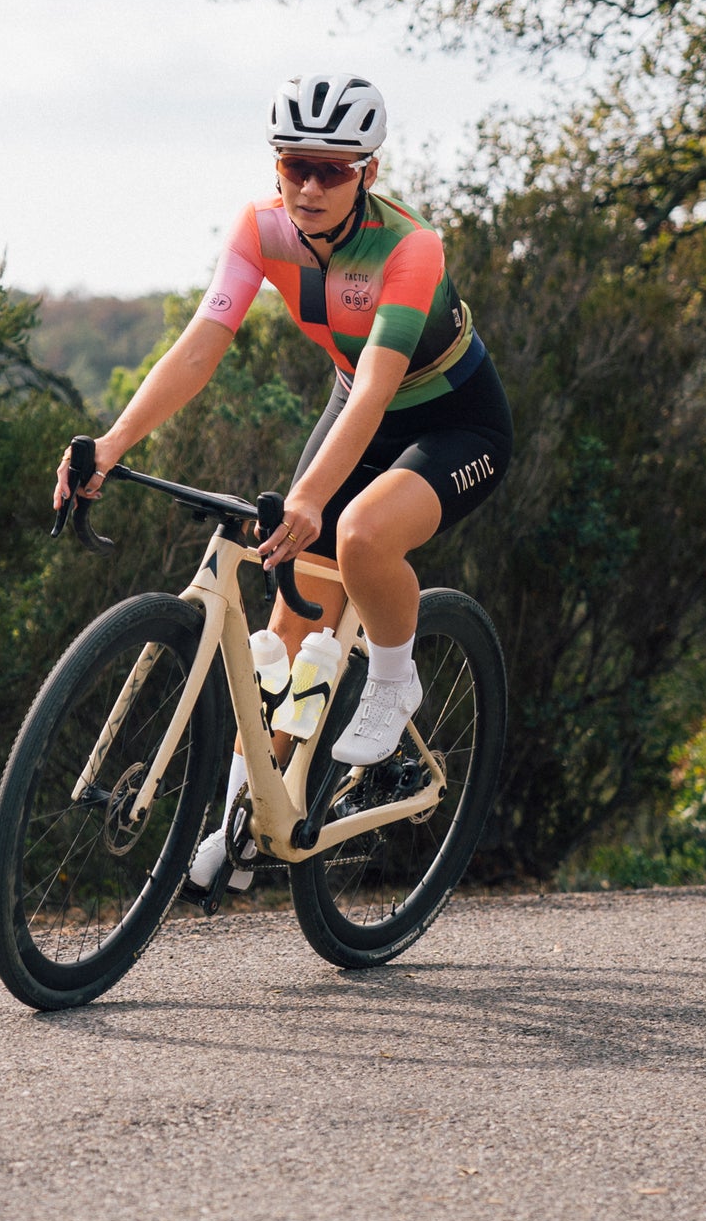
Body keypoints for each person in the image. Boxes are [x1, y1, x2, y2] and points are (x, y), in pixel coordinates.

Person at [52, 67, 513, 891]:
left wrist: (308, 499)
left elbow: (375, 389)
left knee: (360, 534)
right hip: (354, 406)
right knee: (290, 622)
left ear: (367, 172)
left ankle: (394, 683)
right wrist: (113, 443)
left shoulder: (409, 247)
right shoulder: (260, 230)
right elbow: (201, 345)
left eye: (330, 171)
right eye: (294, 166)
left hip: (452, 422)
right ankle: (242, 820)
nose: (308, 187)